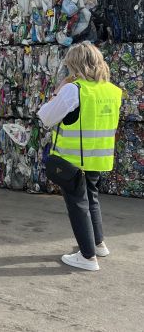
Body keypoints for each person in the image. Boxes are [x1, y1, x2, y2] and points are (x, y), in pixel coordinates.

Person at [38, 41, 121, 271]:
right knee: (91, 199)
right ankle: (98, 244)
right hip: (98, 157)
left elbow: (45, 117)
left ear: (75, 65)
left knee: (78, 205)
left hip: (73, 159)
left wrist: (59, 88)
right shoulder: (112, 90)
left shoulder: (74, 89)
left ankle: (87, 257)